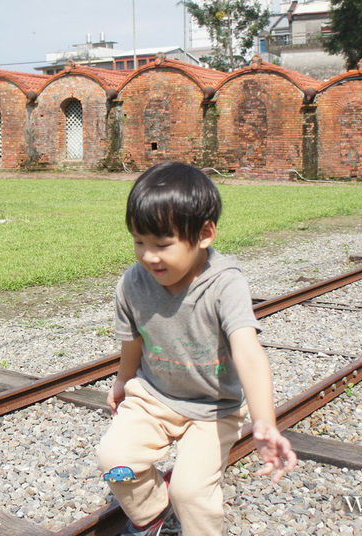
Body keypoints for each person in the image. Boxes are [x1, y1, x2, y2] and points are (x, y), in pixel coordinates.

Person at [97, 161, 296, 536]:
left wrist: (264, 420)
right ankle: (152, 512)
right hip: (154, 396)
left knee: (191, 493)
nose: (148, 256)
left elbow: (248, 351)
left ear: (204, 234)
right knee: (114, 459)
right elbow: (132, 341)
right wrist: (122, 383)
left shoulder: (224, 285)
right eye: (139, 241)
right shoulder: (132, 283)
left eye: (162, 244)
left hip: (213, 408)